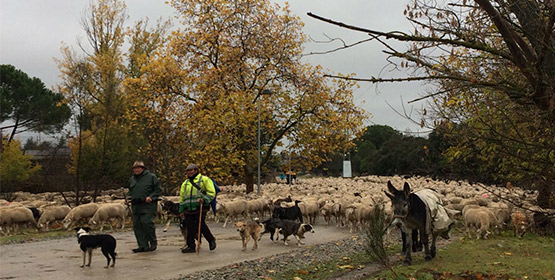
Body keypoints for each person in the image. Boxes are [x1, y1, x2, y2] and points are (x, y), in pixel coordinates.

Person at [179, 164, 217, 253]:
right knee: (189, 226)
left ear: (196, 170)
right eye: (188, 171)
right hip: (188, 208)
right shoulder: (185, 183)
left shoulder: (204, 180)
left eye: (191, 170)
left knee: (200, 225)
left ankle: (211, 240)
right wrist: (181, 209)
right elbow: (182, 197)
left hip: (200, 206)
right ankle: (191, 246)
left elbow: (211, 192)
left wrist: (204, 200)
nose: (189, 172)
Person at [127, 161, 161, 253]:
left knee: (146, 222)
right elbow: (130, 191)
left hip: (148, 205)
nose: (137, 170)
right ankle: (142, 245)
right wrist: (128, 197)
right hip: (136, 205)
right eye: (135, 168)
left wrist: (151, 197)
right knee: (137, 225)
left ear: (143, 168)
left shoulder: (151, 177)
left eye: (139, 168)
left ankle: (152, 242)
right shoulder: (132, 179)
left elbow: (158, 189)